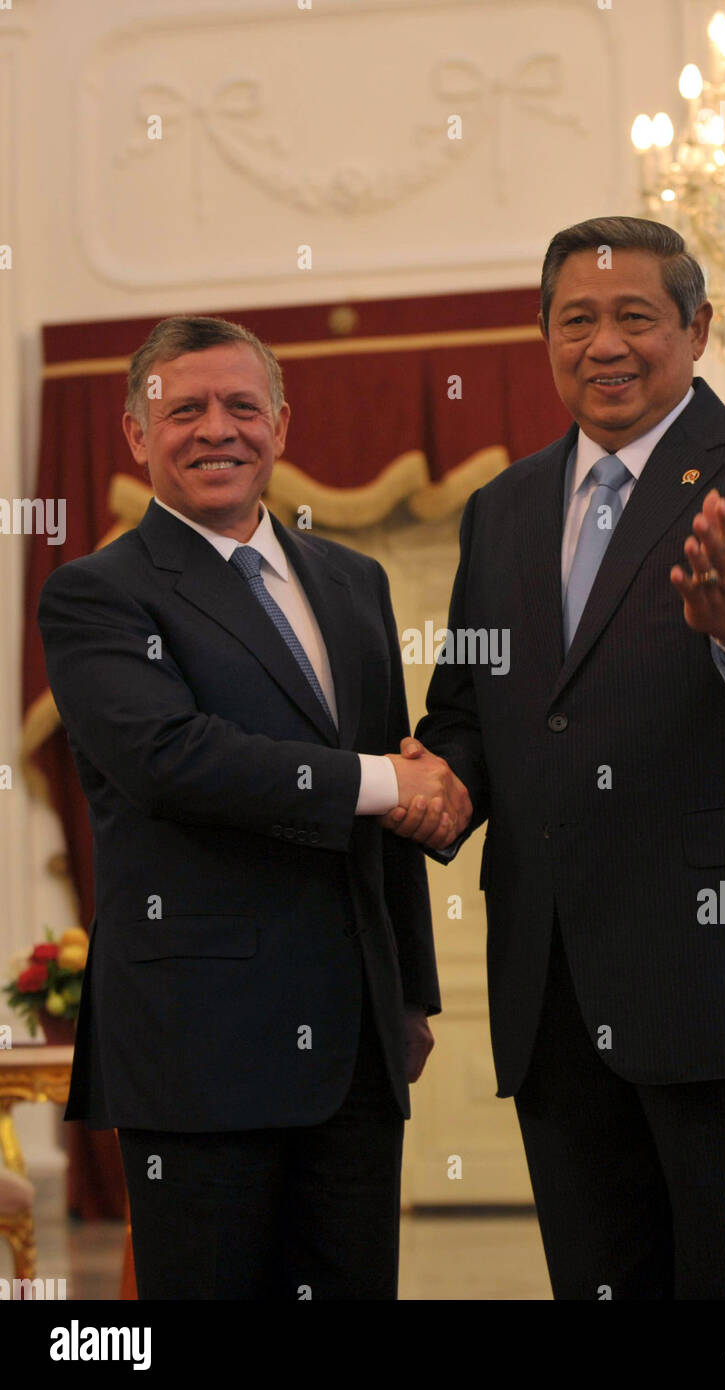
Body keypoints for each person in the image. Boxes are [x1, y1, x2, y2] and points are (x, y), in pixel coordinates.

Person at [383, 216, 725, 1300]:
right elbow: (475, 703)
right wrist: (434, 780)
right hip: (558, 983)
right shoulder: (503, 508)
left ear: (697, 327)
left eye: (634, 317)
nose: (604, 344)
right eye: (577, 320)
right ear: (544, 336)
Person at [38, 315, 471, 1300]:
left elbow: (393, 808)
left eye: (241, 405)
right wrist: (379, 780)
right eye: (182, 408)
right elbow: (171, 760)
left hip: (356, 1042)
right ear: (136, 435)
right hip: (201, 1044)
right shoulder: (96, 595)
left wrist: (406, 987)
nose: (215, 428)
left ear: (280, 422)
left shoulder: (351, 584)